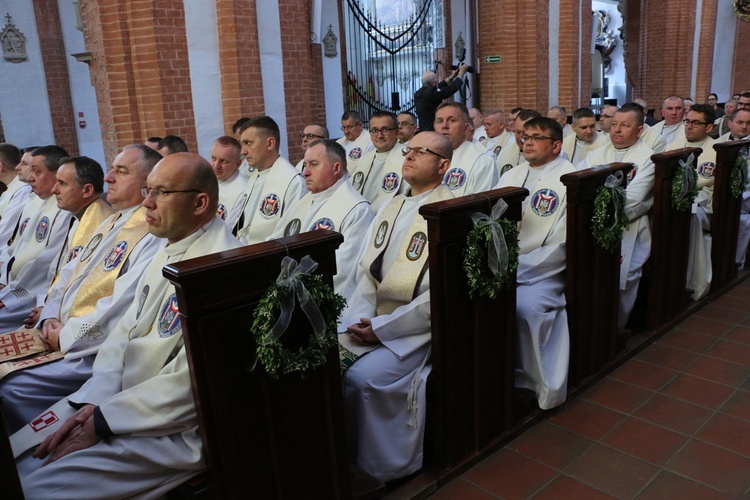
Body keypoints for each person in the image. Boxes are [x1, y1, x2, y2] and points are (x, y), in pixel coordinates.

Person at [13, 152, 243, 499]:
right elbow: (123, 336)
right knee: (19, 458)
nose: (146, 202)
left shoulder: (221, 272)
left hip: (168, 433)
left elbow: (191, 384)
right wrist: (98, 402)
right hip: (116, 404)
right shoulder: (171, 248)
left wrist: (105, 420)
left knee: (33, 488)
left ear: (200, 203)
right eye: (147, 190)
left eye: (161, 192)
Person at [0, 145, 163, 433]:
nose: (109, 177)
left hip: (91, 348)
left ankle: (40, 443)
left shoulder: (151, 234)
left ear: (147, 185)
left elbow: (121, 303)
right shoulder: (113, 220)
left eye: (121, 172)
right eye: (112, 169)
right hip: (62, 329)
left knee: (11, 389)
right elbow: (68, 273)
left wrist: (67, 333)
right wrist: (50, 313)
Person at [340, 131, 453, 482]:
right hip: (374, 318)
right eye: (410, 150)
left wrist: (383, 329)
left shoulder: (449, 214)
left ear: (443, 165)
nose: (411, 156)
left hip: (416, 329)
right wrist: (359, 319)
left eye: (423, 151)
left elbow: (441, 296)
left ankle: (383, 465)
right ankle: (346, 456)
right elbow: (364, 272)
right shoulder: (390, 205)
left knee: (360, 378)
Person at [496, 116, 575, 409]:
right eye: (524, 136)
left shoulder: (570, 180)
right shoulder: (510, 176)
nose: (526, 141)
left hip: (544, 272)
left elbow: (562, 245)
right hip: (505, 266)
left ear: (556, 145)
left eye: (536, 137)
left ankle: (539, 387)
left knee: (525, 308)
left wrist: (516, 269)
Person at [578, 103, 655, 330]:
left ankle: (616, 329)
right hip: (590, 226)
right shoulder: (597, 154)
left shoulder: (648, 159)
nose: (617, 130)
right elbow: (577, 185)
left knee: (624, 280)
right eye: (614, 125)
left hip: (629, 229)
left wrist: (592, 211)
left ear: (639, 131)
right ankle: (595, 328)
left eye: (624, 125)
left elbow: (634, 199)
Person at [0, 146, 87, 331]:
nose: (29, 177)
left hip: (34, 295)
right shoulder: (36, 201)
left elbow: (49, 264)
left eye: (36, 171)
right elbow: (14, 244)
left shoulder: (66, 212)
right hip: (17, 287)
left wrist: (45, 306)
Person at [269, 139, 372, 296]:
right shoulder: (304, 201)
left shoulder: (357, 210)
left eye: (314, 164)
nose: (305, 172)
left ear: (336, 168)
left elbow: (343, 268)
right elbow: (276, 240)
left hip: (321, 296)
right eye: (305, 165)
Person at [225, 116, 306, 244]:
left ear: (270, 143)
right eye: (242, 144)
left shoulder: (293, 182)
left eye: (249, 143)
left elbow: (290, 233)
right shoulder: (255, 175)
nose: (243, 151)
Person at [665, 105, 716, 301]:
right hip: (670, 199)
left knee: (689, 217)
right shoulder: (672, 147)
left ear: (709, 127)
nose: (689, 126)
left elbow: (703, 182)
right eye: (687, 121)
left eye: (696, 123)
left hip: (702, 204)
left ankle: (689, 281)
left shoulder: (715, 150)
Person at [349, 111, 408, 213]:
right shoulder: (365, 158)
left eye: (385, 130)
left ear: (397, 132)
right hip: (359, 215)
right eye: (375, 130)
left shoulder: (407, 157)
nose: (379, 135)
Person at [434, 102, 497, 196]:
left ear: (465, 128)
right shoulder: (426, 156)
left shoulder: (482, 162)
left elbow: (479, 206)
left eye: (452, 120)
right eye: (439, 121)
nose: (444, 126)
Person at [413, 64, 468, 131]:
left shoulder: (419, 93)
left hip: (424, 128)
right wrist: (461, 73)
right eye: (437, 78)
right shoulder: (431, 94)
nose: (438, 79)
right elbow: (451, 89)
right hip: (432, 130)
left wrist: (452, 76)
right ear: (432, 82)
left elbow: (438, 86)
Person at [209, 136, 246, 221]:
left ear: (238, 164)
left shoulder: (242, 192)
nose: (216, 165)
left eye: (224, 161)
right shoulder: (206, 182)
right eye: (214, 159)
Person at [497, 109, 541, 177]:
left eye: (525, 133)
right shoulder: (505, 153)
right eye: (518, 132)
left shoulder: (547, 155)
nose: (521, 137)